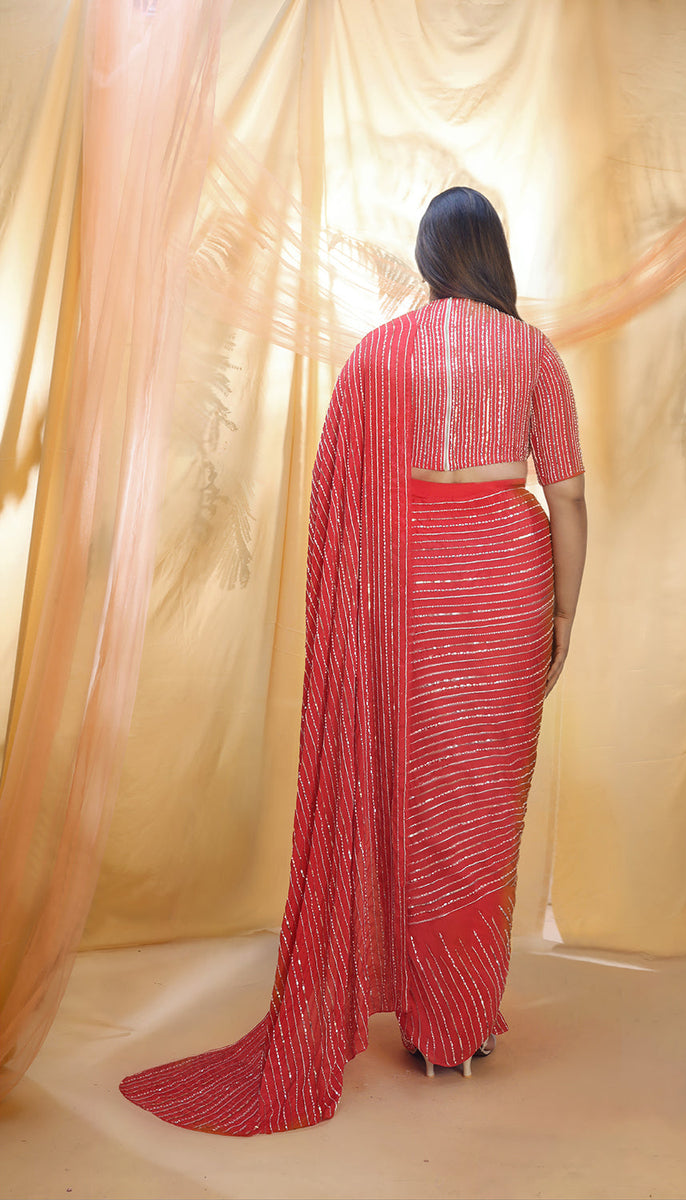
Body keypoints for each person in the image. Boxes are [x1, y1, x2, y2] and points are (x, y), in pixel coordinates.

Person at [120, 186, 587, 1134]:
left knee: (420, 800)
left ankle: (431, 1020)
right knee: (485, 804)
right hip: (507, 578)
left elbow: (339, 496)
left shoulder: (380, 353)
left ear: (426, 259)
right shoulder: (534, 354)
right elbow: (569, 498)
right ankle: (459, 1026)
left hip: (408, 587)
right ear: (493, 257)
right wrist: (566, 613)